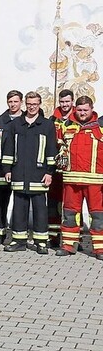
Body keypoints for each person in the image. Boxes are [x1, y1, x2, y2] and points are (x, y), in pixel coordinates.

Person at [1, 91, 58, 254]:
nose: (32, 107)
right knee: (19, 208)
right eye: (30, 104)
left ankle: (41, 242)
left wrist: (49, 172)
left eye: (35, 104)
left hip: (39, 174)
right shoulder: (16, 124)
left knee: (40, 210)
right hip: (19, 173)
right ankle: (19, 240)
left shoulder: (47, 125)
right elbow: (9, 148)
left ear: (40, 105)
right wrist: (7, 169)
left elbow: (51, 149)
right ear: (26, 104)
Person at [55, 96, 103, 259]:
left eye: (85, 110)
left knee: (97, 215)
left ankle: (99, 248)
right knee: (69, 214)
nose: (82, 113)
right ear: (75, 109)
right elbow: (60, 148)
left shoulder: (101, 128)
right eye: (80, 110)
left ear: (92, 109)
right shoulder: (66, 127)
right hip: (71, 179)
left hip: (95, 180)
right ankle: (68, 246)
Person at [0, 90, 23, 245]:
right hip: (1, 168)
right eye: (10, 101)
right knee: (0, 203)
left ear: (21, 102)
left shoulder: (26, 120)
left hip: (21, 167)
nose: (13, 104)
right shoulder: (0, 120)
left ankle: (19, 235)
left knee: (20, 203)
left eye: (16, 101)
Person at [48, 89, 75, 247]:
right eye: (62, 102)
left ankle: (73, 238)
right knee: (53, 204)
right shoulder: (52, 119)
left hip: (72, 169)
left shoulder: (77, 119)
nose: (65, 105)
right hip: (55, 169)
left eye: (67, 101)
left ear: (72, 101)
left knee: (72, 205)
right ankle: (53, 237)